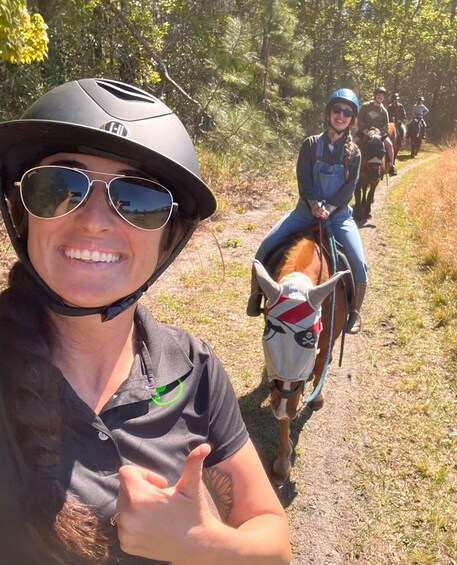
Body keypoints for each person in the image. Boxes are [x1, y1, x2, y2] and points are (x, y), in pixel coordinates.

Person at [0, 78, 292, 564]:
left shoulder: (194, 368)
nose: (94, 220)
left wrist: (203, 545)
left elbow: (275, 542)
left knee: (358, 268)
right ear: (22, 213)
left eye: (139, 200)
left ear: (169, 237)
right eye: (60, 186)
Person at [247, 88, 368, 334]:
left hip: (339, 216)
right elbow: (304, 178)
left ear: (352, 119)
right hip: (305, 211)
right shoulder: (310, 144)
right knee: (264, 247)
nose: (341, 115)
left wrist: (330, 207)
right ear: (328, 113)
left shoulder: (354, 153)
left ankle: (354, 312)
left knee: (359, 263)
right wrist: (313, 203)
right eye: (337, 110)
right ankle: (255, 296)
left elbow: (349, 189)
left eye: (347, 112)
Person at [357, 86, 398, 176]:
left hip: (378, 135)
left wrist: (378, 131)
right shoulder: (365, 106)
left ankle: (391, 166)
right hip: (364, 132)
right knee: (354, 142)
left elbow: (386, 125)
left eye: (382, 96)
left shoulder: (384, 111)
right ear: (375, 95)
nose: (380, 97)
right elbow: (359, 119)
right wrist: (364, 129)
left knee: (389, 145)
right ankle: (348, 166)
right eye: (379, 94)